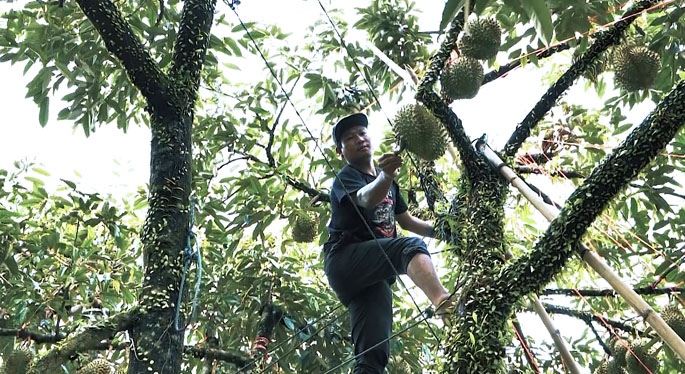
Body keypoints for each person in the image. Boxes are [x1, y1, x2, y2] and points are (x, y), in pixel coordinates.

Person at [323, 112, 453, 374]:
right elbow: (365, 198)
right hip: (345, 260)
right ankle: (444, 304)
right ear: (341, 151)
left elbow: (408, 222)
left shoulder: (390, 185)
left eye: (362, 133)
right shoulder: (347, 178)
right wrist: (385, 176)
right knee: (410, 247)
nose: (358, 139)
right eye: (350, 138)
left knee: (373, 358)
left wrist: (448, 232)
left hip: (373, 277)